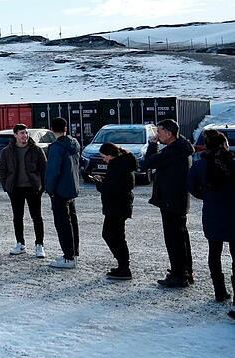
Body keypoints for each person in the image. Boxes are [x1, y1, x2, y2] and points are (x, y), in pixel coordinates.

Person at [145, 119, 196, 288]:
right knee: (181, 237)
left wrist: (152, 145)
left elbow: (148, 162)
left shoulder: (173, 151)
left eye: (159, 132)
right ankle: (185, 271)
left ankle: (179, 275)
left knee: (174, 239)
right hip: (176, 199)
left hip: (171, 201)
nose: (157, 135)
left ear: (168, 133)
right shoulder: (180, 148)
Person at [188, 129, 235, 304]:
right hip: (233, 214)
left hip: (212, 213)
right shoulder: (233, 163)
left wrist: (207, 196)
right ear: (224, 145)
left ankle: (219, 291)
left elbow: (193, 188)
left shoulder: (199, 166)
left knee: (214, 253)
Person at [0, 124, 48, 258]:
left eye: (26, 133)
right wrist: (6, 186)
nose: (25, 136)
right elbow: (3, 171)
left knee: (36, 217)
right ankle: (20, 244)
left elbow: (44, 169)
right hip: (15, 189)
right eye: (21, 133)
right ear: (15, 135)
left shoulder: (36, 150)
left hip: (32, 188)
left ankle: (39, 245)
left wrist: (41, 187)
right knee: (17, 217)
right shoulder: (7, 151)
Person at [91, 142, 137, 280]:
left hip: (117, 206)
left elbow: (112, 188)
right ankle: (122, 265)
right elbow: (116, 184)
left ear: (110, 155)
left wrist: (99, 183)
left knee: (112, 235)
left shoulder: (118, 166)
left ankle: (124, 267)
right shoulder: (122, 163)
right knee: (115, 235)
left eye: (104, 157)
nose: (103, 160)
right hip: (119, 205)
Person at [45, 117, 82, 269]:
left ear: (52, 129)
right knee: (72, 221)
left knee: (62, 223)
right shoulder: (74, 143)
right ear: (66, 128)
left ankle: (68, 257)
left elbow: (53, 171)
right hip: (71, 188)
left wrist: (50, 189)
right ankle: (74, 253)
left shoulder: (56, 147)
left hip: (60, 190)